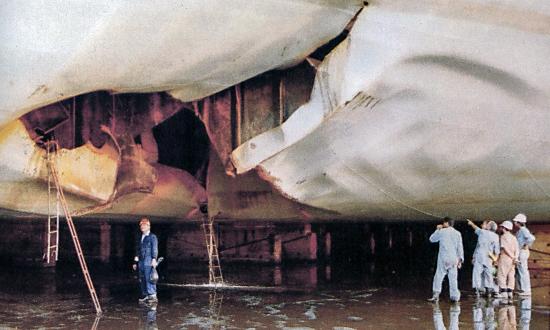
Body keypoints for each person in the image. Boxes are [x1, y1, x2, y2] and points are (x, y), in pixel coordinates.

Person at [428, 217, 464, 303]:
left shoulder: (442, 231)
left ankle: (436, 295)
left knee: (439, 276)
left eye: (444, 223)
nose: (443, 225)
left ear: (447, 223)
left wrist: (437, 229)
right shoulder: (457, 233)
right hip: (454, 258)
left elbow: (432, 239)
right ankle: (454, 297)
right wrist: (460, 259)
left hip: (443, 257)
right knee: (453, 278)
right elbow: (460, 247)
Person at [467, 219, 500, 297]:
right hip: (489, 257)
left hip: (480, 256)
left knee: (477, 273)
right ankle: (489, 291)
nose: (482, 225)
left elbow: (476, 228)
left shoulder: (483, 232)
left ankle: (477, 290)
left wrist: (471, 223)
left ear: (489, 227)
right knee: (488, 273)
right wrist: (496, 259)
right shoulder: (496, 236)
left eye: (485, 224)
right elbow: (497, 250)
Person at [133, 218, 159, 303]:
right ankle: (146, 295)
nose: (142, 227)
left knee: (150, 277)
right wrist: (135, 261)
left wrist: (154, 259)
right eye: (141, 225)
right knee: (142, 277)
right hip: (141, 261)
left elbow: (155, 248)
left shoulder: (152, 237)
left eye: (144, 225)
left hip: (149, 260)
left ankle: (152, 296)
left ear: (148, 226)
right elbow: (138, 248)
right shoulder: (141, 236)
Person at [512, 213, 536, 296]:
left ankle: (526, 290)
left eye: (515, 221)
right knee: (521, 271)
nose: (514, 223)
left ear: (519, 222)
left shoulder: (523, 230)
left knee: (523, 271)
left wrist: (526, 245)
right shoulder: (520, 230)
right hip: (521, 252)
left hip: (522, 252)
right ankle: (523, 289)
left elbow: (532, 238)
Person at [496, 220, 519, 300]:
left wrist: (511, 256)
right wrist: (515, 257)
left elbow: (504, 248)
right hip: (513, 260)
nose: (501, 228)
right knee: (511, 275)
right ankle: (510, 292)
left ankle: (503, 292)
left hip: (505, 258)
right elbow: (517, 249)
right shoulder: (514, 237)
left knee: (501, 275)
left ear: (504, 228)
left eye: (502, 227)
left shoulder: (503, 237)